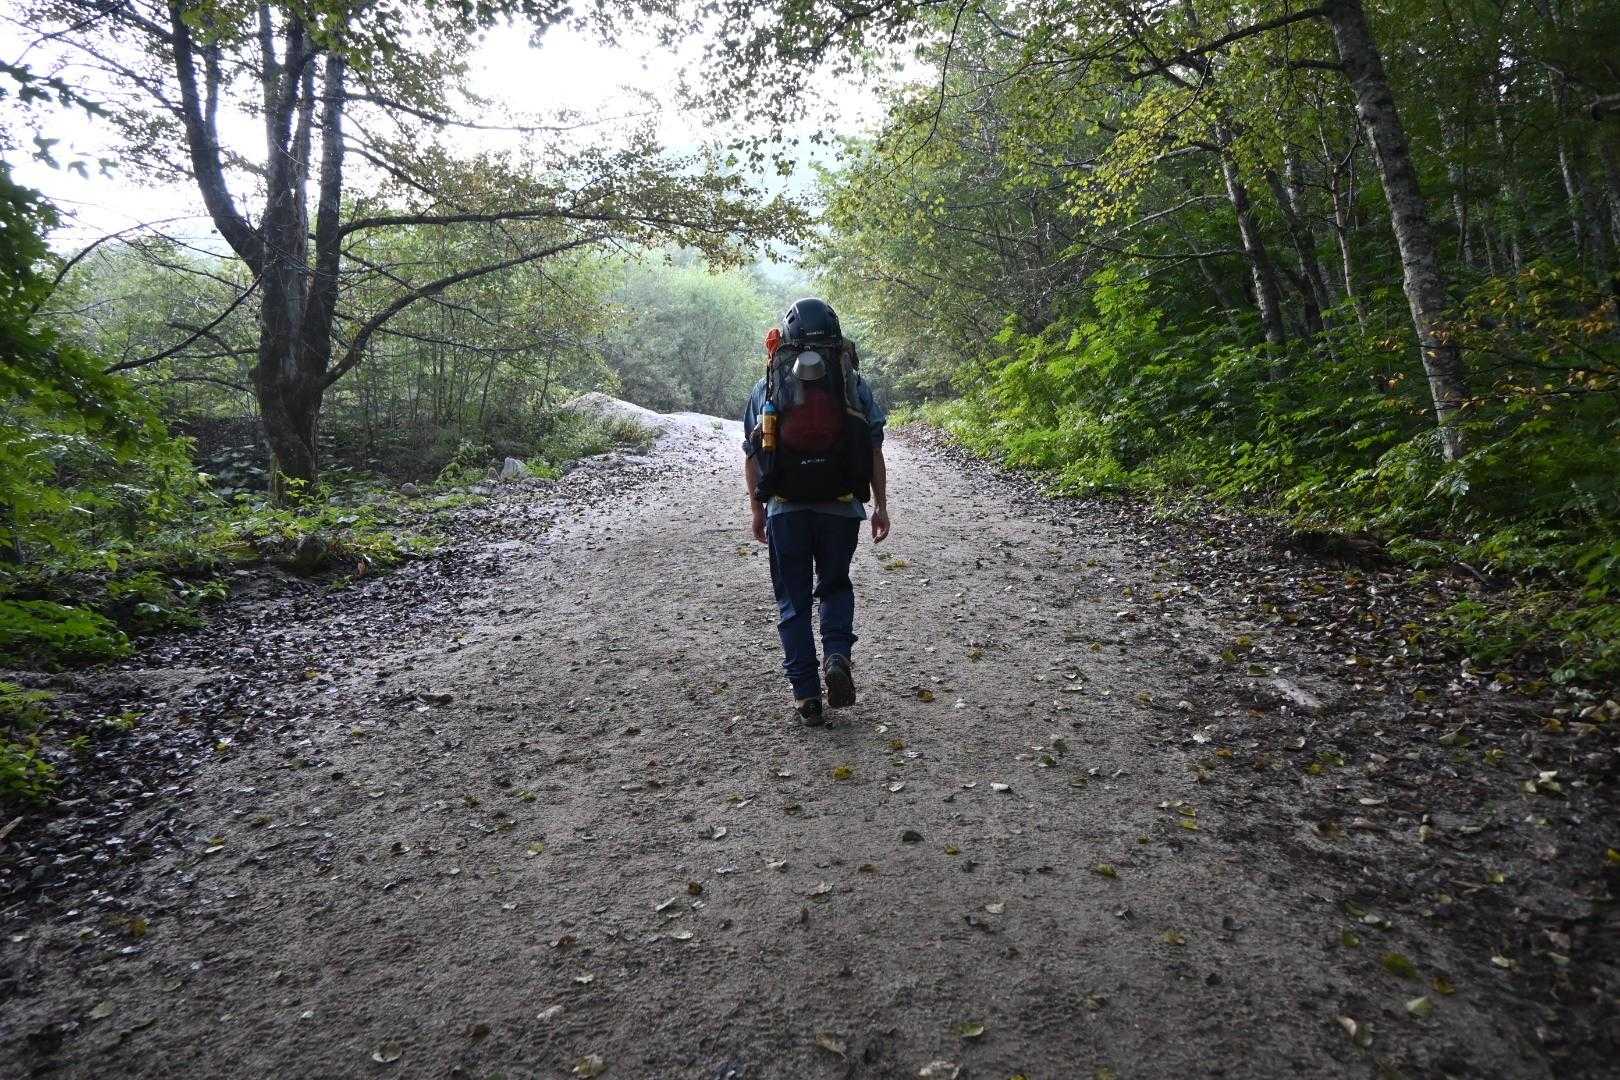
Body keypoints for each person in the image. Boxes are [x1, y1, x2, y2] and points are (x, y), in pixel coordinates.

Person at [742, 297, 889, 726]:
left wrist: (756, 509)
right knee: (835, 586)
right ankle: (837, 656)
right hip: (840, 508)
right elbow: (873, 448)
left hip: (785, 509)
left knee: (793, 602)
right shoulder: (852, 384)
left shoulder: (767, 386)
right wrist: (880, 505)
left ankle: (806, 695)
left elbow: (752, 454)